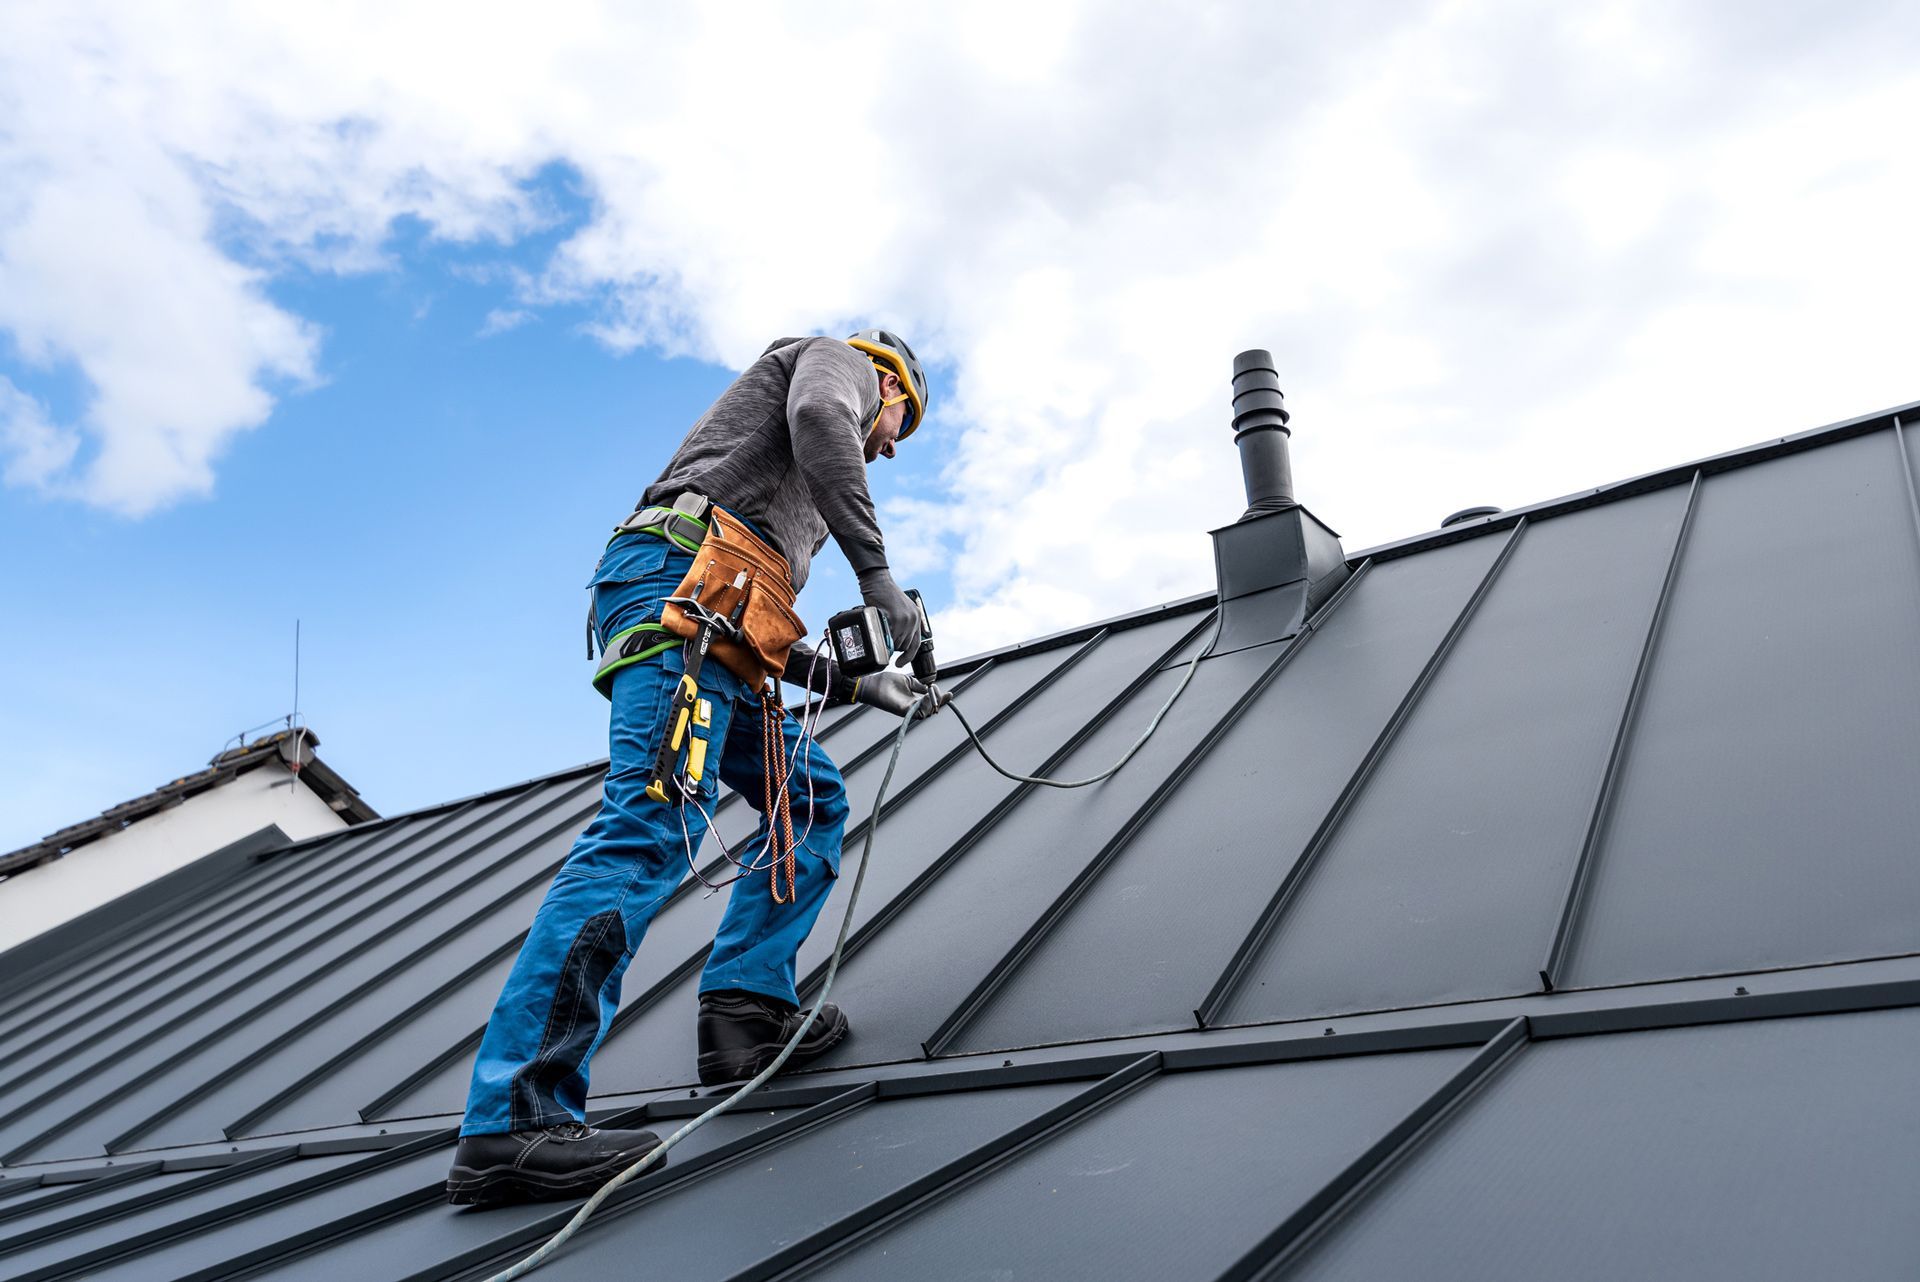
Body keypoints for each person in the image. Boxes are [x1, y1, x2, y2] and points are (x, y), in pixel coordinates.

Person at [446, 330, 936, 1206]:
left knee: (810, 799)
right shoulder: (839, 363)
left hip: (715, 613)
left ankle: (745, 1013)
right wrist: (877, 576)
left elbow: (751, 621)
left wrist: (858, 687)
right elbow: (824, 415)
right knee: (650, 823)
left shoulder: (781, 513)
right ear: (888, 379)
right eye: (905, 419)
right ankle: (513, 1120)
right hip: (678, 586)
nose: (892, 443)